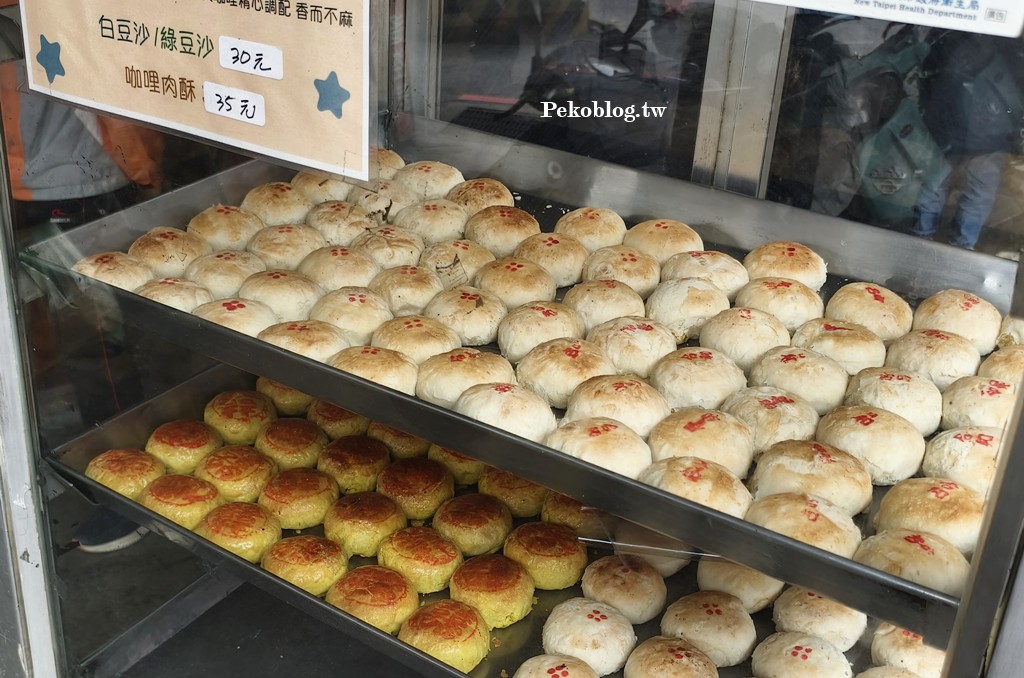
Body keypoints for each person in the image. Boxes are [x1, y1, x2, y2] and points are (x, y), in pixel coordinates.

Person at [910, 30, 1024, 250]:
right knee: (970, 193)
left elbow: (930, 79)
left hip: (955, 134)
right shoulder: (1009, 52)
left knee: (936, 186)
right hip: (979, 137)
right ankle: (958, 245)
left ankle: (922, 239)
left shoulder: (952, 38)